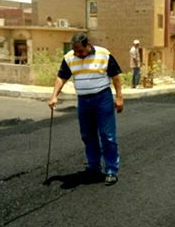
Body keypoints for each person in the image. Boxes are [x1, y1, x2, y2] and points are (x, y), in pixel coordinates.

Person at [48, 32, 124, 186]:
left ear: (88, 45)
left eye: (80, 51)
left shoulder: (104, 54)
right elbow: (62, 76)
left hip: (103, 99)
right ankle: (94, 166)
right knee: (87, 135)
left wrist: (119, 97)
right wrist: (54, 95)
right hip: (83, 101)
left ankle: (111, 170)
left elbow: (115, 76)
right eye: (75, 51)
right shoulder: (70, 57)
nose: (77, 54)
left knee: (107, 135)